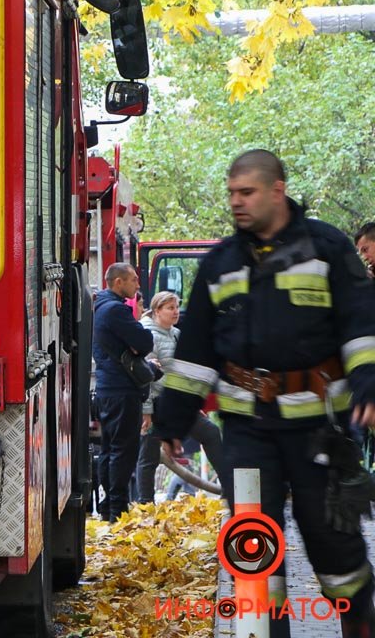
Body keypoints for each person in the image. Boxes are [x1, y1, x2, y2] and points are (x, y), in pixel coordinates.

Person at [154, 150, 375, 638]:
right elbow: (194, 356)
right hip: (248, 433)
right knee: (254, 559)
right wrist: (171, 422)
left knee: (338, 555)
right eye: (231, 193)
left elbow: (362, 325)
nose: (236, 202)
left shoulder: (328, 248)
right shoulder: (220, 263)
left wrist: (368, 382)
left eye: (246, 192)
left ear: (277, 190)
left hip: (321, 431)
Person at [134, 291, 228, 503]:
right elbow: (145, 378)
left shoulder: (176, 334)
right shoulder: (148, 336)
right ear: (157, 311)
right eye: (170, 308)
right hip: (157, 407)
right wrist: (146, 412)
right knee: (148, 458)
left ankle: (229, 488)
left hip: (176, 406)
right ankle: (145, 506)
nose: (176, 312)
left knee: (211, 433)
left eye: (177, 307)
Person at [92, 262, 154, 523]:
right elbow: (145, 342)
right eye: (133, 280)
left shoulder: (98, 306)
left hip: (107, 389)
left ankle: (109, 505)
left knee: (109, 449)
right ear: (119, 282)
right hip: (121, 390)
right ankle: (117, 509)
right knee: (123, 451)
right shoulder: (116, 311)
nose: (138, 285)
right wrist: (138, 333)